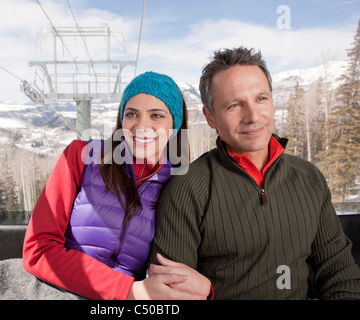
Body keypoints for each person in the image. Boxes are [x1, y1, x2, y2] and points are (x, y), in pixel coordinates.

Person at [149, 47, 360, 299]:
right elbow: (168, 294)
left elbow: (339, 275)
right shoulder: (188, 188)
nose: (253, 116)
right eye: (235, 105)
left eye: (261, 99)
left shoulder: (309, 177)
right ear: (210, 117)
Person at [23, 71, 213, 300]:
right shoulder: (81, 157)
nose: (141, 126)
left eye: (157, 115)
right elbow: (38, 249)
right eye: (132, 114)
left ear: (175, 125)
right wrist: (128, 290)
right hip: (61, 292)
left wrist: (205, 290)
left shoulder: (181, 183)